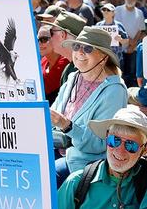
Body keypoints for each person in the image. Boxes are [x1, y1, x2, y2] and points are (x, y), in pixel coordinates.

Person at [50, 27, 128, 186]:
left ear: (104, 57)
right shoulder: (73, 77)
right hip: (57, 151)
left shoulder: (114, 91)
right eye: (76, 46)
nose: (79, 52)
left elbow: (98, 144)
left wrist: (67, 126)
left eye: (87, 48)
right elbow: (54, 116)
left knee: (47, 177)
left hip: (87, 163)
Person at [114, 0, 146, 86]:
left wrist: (132, 44)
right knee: (120, 72)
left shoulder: (139, 12)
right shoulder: (118, 10)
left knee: (132, 73)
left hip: (133, 48)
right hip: (120, 47)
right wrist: (129, 41)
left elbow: (141, 30)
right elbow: (117, 27)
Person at [37, 13, 71, 104]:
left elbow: (42, 88)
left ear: (54, 39)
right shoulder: (44, 60)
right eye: (37, 40)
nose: (39, 44)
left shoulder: (65, 62)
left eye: (43, 39)